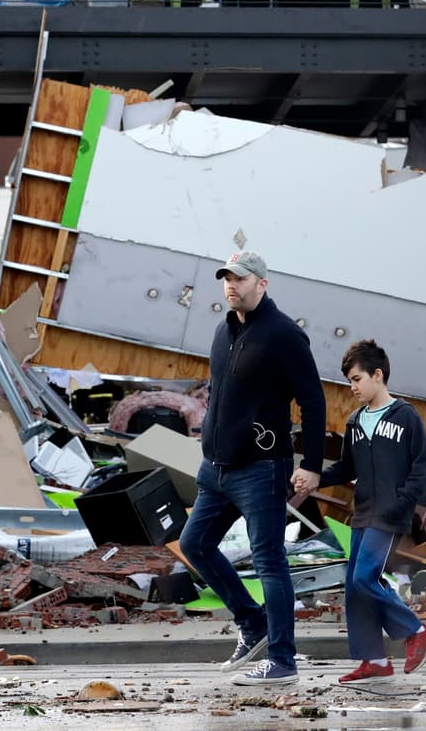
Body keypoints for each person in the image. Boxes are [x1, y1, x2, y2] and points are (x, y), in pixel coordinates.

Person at [178, 251, 327, 687]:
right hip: (217, 468)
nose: (231, 286)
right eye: (226, 278)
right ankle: (253, 623)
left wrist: (313, 465)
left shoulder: (283, 335)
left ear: (262, 284)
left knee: (269, 561)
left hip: (263, 467)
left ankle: (282, 661)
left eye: (240, 279)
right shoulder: (224, 332)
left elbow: (314, 401)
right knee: (195, 544)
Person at [314, 339, 426, 684]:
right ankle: (375, 661)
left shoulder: (405, 415)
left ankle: (417, 630)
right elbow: (345, 468)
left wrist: (403, 501)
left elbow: (423, 465)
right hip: (364, 513)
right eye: (350, 381)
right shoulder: (355, 421)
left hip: (390, 513)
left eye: (356, 379)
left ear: (377, 375)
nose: (352, 387)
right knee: (355, 587)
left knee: (364, 577)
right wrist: (313, 479)